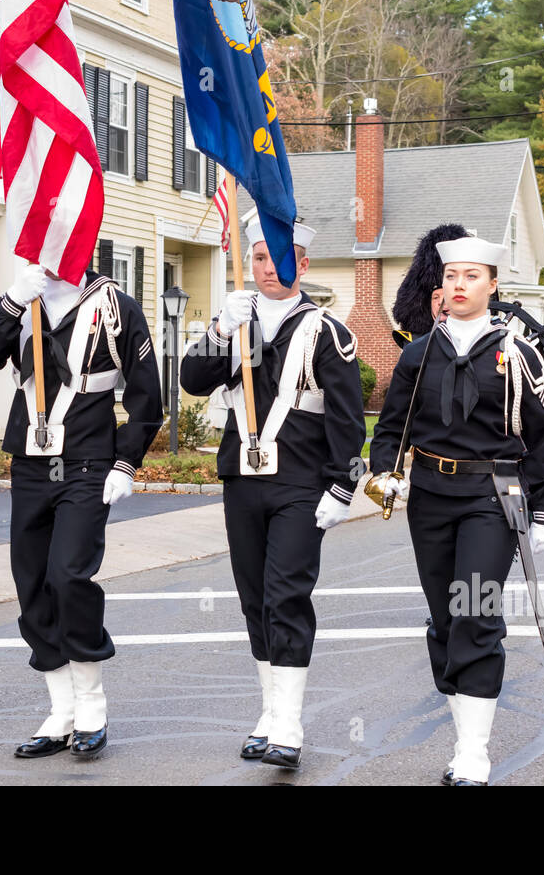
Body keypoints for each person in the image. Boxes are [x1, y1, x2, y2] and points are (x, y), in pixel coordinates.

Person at [367, 236, 544, 787]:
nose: (459, 285)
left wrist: (543, 510)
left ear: (492, 285)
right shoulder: (417, 352)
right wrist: (385, 473)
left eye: (471, 276)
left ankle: (473, 752)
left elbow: (543, 439)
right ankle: (462, 729)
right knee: (445, 619)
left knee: (475, 614)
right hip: (429, 495)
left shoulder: (517, 352)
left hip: (491, 498)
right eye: (452, 276)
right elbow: (391, 426)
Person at [181, 220, 364, 769]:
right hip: (243, 480)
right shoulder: (237, 321)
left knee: (286, 595)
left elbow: (348, 420)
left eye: (279, 259)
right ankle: (268, 712)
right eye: (258, 258)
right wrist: (217, 331)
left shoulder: (327, 332)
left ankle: (289, 723)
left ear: (302, 265)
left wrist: (343, 485)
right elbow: (191, 379)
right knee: (254, 597)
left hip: (301, 484)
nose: (267, 269)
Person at [0, 259, 162, 759]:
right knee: (31, 580)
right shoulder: (23, 300)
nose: (45, 252)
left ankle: (91, 700)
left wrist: (127, 461)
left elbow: (146, 393)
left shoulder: (115, 306)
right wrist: (10, 301)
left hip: (87, 459)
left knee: (69, 574)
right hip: (30, 460)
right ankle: (60, 710)